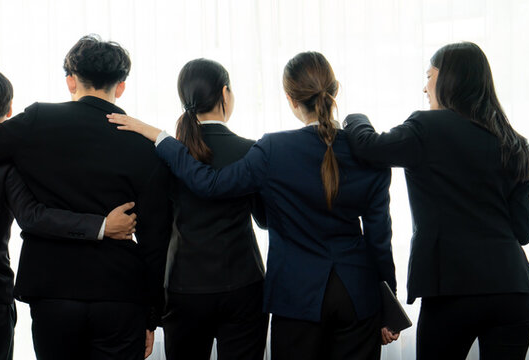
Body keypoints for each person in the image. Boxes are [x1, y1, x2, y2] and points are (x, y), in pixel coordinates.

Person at [0, 34, 173, 359]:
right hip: (121, 294)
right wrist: (152, 316)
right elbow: (156, 241)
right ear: (121, 86)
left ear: (70, 81)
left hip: (51, 290)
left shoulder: (39, 121)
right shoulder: (143, 144)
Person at [108, 51, 397, 360]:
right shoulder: (368, 152)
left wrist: (162, 138)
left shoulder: (274, 149)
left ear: (290, 98)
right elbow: (380, 238)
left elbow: (210, 185)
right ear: (334, 90)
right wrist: (388, 301)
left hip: (296, 296)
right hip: (358, 292)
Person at [342, 42, 529, 360]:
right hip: (513, 292)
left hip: (452, 291)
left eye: (429, 75)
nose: (425, 87)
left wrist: (354, 117)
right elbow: (524, 231)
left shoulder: (426, 128)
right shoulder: (516, 144)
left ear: (449, 79)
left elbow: (368, 146)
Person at [155, 59, 268, 360]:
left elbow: (159, 224)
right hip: (244, 283)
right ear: (225, 93)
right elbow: (265, 217)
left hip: (183, 284)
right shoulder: (251, 150)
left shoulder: (169, 154)